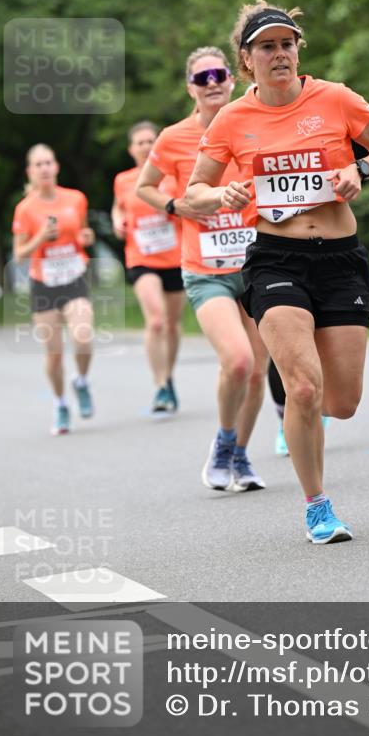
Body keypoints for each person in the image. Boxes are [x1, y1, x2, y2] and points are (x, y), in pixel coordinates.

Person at [186, 0, 369, 543]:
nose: (279, 53)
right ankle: (317, 507)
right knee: (303, 389)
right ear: (247, 60)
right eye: (267, 46)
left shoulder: (335, 98)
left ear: (298, 51)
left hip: (340, 258)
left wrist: (359, 168)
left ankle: (305, 414)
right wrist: (223, 194)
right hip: (276, 258)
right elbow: (195, 191)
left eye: (287, 43)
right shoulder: (233, 119)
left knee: (341, 401)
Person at [136, 47, 267, 492]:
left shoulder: (253, 123)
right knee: (238, 360)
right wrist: (176, 206)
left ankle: (241, 455)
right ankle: (224, 442)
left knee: (257, 370)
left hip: (257, 265)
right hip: (206, 270)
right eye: (201, 77)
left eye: (218, 74)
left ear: (232, 78)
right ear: (189, 87)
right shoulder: (173, 137)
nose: (211, 83)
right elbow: (145, 187)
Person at [12, 144, 96, 436]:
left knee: (83, 336)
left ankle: (81, 381)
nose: (44, 168)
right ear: (30, 172)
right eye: (38, 164)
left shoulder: (76, 199)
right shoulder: (25, 209)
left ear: (56, 166)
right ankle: (61, 404)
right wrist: (39, 238)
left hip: (74, 277)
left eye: (48, 162)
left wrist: (87, 237)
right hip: (44, 284)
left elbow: (83, 234)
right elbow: (19, 255)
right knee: (55, 354)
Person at [112, 121, 185, 414]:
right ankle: (160, 385)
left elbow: (186, 206)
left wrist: (170, 208)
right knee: (156, 321)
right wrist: (117, 221)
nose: (145, 146)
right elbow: (119, 206)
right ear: (131, 149)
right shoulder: (123, 180)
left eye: (150, 140)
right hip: (141, 258)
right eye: (139, 142)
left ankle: (168, 375)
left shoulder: (173, 175)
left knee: (172, 324)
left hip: (175, 257)